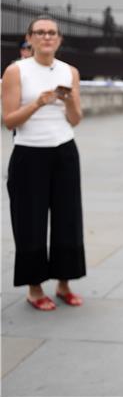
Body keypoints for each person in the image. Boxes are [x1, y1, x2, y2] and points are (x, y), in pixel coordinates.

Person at [1, 16, 86, 311]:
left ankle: (64, 283)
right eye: (40, 33)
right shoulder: (16, 71)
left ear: (59, 39)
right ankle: (34, 288)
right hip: (29, 153)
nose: (46, 37)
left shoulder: (69, 71)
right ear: (30, 38)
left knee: (68, 219)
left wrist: (71, 102)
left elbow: (75, 119)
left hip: (64, 151)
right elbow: (9, 120)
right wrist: (37, 103)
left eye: (52, 33)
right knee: (30, 220)